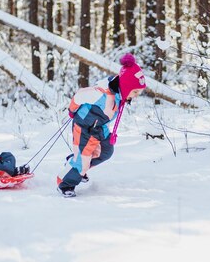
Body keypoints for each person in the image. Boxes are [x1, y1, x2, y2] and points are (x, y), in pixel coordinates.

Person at [56, 53, 147, 197]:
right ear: (126, 85)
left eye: (139, 92)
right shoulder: (101, 94)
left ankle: (76, 165)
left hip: (99, 127)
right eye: (135, 91)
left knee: (106, 152)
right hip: (84, 127)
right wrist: (72, 111)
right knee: (82, 163)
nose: (136, 95)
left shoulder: (120, 94)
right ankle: (65, 183)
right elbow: (79, 95)